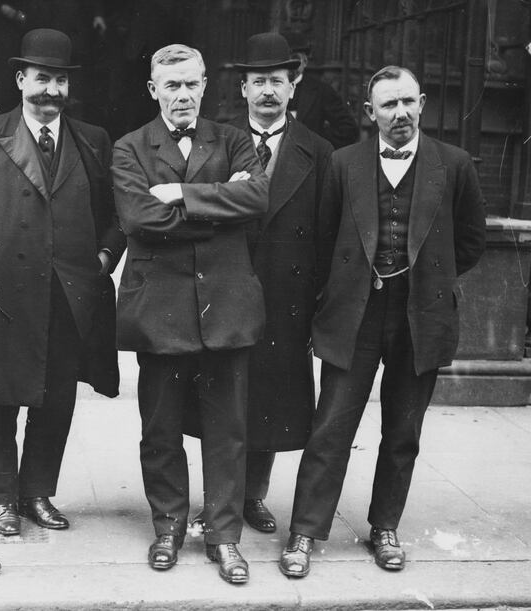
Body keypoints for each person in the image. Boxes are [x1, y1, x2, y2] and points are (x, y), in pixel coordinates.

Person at [279, 65, 486, 578]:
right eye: (389, 105)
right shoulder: (343, 163)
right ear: (370, 114)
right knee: (331, 426)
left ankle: (385, 527)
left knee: (403, 429)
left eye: (409, 103)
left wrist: (425, 279)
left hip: (421, 315)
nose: (401, 114)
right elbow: (323, 240)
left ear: (422, 105)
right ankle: (305, 530)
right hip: (355, 313)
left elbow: (470, 243)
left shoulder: (454, 164)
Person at [0, 28, 125, 538]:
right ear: (21, 79)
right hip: (1, 294)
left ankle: (37, 493)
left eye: (60, 80)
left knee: (57, 400)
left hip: (69, 296)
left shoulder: (93, 140)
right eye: (42, 77)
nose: (51, 90)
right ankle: (2, 499)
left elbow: (116, 212)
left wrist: (104, 256)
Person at [112, 43, 269, 585]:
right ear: (153, 90)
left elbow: (259, 199)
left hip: (225, 305)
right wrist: (220, 204)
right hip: (161, 310)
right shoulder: (130, 148)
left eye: (191, 84)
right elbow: (138, 218)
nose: (183, 95)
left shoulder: (235, 139)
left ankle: (224, 539)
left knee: (228, 429)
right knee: (160, 428)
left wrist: (180, 191)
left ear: (206, 86)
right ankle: (169, 527)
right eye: (171, 86)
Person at [228, 32, 333, 535]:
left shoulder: (320, 152)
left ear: (293, 87)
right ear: (243, 89)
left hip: (286, 300)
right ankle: (222, 496)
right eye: (258, 82)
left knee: (269, 400)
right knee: (222, 399)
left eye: (277, 81)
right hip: (226, 292)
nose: (267, 91)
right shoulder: (217, 141)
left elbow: (329, 235)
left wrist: (316, 306)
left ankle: (252, 496)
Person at [284, 34, 359, 150]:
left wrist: (317, 144)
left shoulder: (321, 91)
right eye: (285, 58)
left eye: (295, 58)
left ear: (305, 62)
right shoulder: (268, 89)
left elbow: (348, 129)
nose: (290, 63)